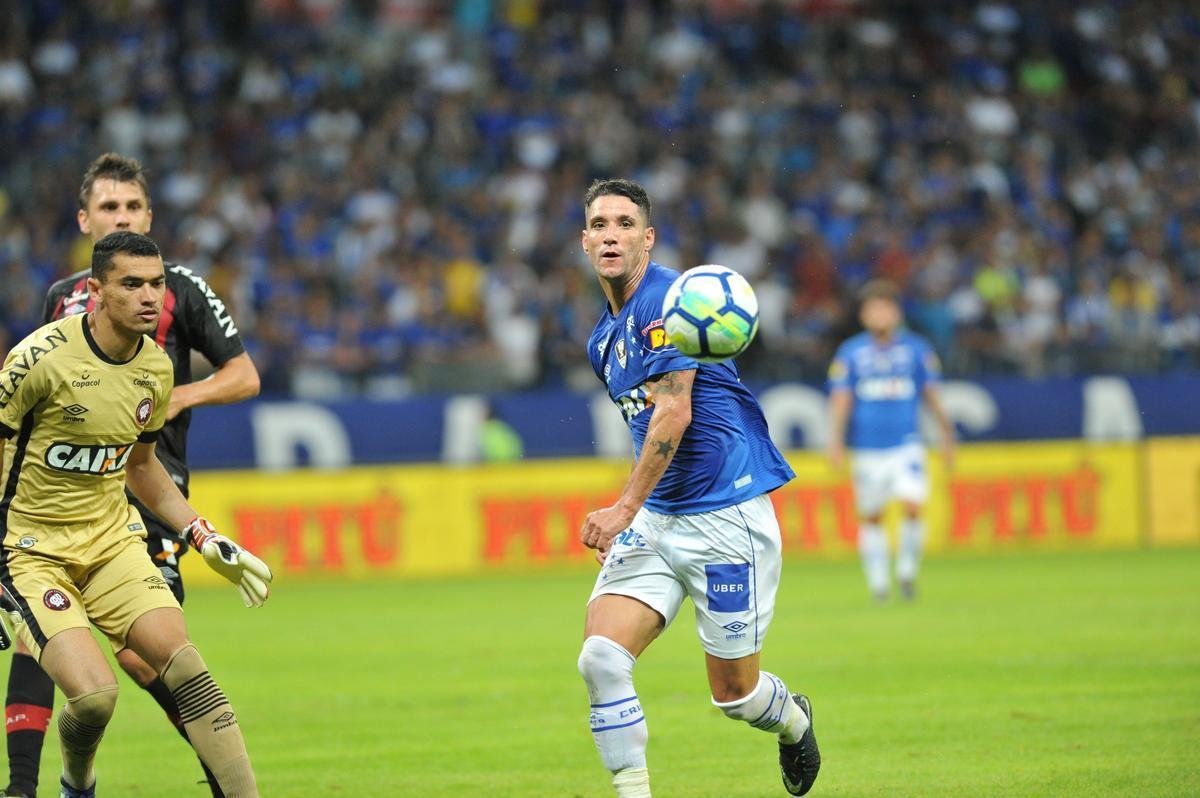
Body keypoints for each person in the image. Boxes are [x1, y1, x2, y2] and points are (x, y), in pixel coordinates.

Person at [2, 153, 261, 798]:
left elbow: (142, 467)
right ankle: (60, 783)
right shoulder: (37, 354)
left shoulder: (157, 362)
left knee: (181, 663)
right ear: (95, 289)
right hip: (34, 544)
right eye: (134, 286)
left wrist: (203, 534)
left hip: (118, 533)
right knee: (91, 695)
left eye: (155, 286)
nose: (151, 297)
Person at [576, 178, 820, 798]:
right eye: (600, 224)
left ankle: (793, 719)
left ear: (647, 239)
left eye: (626, 223)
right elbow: (643, 424)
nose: (612, 234)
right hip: (658, 521)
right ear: (584, 241)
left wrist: (622, 506)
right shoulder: (601, 340)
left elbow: (674, 412)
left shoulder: (676, 300)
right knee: (601, 659)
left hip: (725, 517)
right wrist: (639, 511)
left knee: (734, 696)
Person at [826, 279, 956, 602]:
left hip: (906, 443)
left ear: (896, 313)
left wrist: (947, 434)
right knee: (872, 515)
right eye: (873, 308)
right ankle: (879, 583)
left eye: (885, 307)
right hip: (867, 448)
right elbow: (841, 401)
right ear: (863, 315)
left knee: (913, 504)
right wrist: (835, 442)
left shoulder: (917, 349)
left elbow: (931, 395)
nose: (879, 314)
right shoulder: (851, 353)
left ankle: (907, 571)